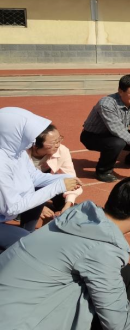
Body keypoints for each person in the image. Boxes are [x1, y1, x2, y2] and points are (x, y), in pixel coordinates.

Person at [0, 177, 130, 330]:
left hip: (9, 306)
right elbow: (118, 324)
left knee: (124, 273)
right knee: (126, 278)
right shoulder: (103, 250)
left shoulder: (76, 219)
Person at [0, 108, 81, 252]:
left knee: (27, 240)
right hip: (8, 211)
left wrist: (66, 178)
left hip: (5, 216)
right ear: (12, 133)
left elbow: (34, 176)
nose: (32, 141)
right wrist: (58, 186)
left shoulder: (17, 153)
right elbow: (12, 207)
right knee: (29, 245)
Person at [81, 75, 130, 183]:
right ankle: (103, 171)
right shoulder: (106, 104)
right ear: (120, 91)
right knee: (117, 143)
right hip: (94, 136)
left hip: (119, 133)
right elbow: (119, 131)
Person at [27, 124, 83, 218]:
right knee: (25, 212)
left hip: (44, 180)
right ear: (35, 146)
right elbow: (14, 186)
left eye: (59, 139)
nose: (58, 145)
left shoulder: (62, 151)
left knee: (66, 194)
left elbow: (71, 179)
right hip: (22, 188)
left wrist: (68, 204)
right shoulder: (20, 155)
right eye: (53, 142)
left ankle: (62, 205)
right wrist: (37, 207)